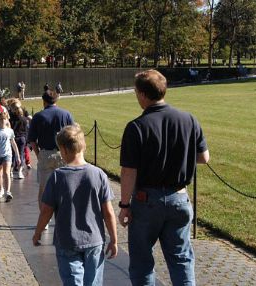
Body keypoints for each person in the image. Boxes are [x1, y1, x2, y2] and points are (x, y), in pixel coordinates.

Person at [118, 70, 210, 286]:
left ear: (142, 94)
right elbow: (204, 157)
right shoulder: (189, 119)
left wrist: (124, 205)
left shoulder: (136, 127)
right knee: (181, 260)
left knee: (142, 262)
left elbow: (128, 171)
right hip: (179, 198)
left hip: (146, 200)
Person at [32, 124, 118, 286]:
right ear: (83, 146)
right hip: (94, 239)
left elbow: (46, 211)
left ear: (63, 150)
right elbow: (108, 212)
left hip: (67, 239)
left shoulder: (57, 177)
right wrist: (113, 239)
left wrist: (38, 233)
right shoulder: (98, 174)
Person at [28, 90, 74, 213]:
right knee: (65, 187)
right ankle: (63, 217)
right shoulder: (66, 114)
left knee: (44, 190)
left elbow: (32, 140)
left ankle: (45, 221)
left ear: (44, 101)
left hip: (45, 153)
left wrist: (38, 154)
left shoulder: (38, 116)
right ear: (56, 100)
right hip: (63, 153)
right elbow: (73, 136)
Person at [0, 112, 20, 201]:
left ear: (7, 120)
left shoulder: (10, 131)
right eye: (1, 119)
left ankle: (8, 191)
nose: (3, 120)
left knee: (6, 172)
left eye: (4, 119)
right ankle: (1, 189)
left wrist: (17, 156)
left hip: (7, 154)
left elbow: (13, 143)